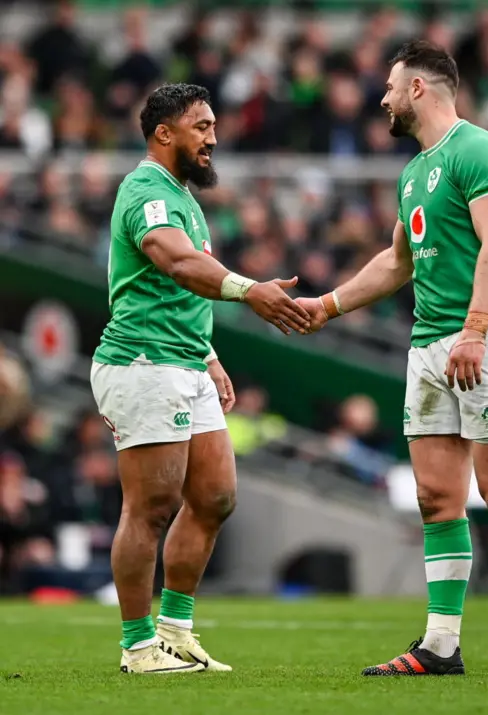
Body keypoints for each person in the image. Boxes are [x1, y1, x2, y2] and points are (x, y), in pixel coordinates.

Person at [296, 40, 488, 677]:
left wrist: (476, 329)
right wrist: (330, 304)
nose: (383, 98)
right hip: (430, 344)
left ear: (420, 89)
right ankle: (441, 646)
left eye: (391, 87)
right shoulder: (412, 171)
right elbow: (398, 261)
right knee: (436, 497)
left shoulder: (479, 149)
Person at [91, 83, 310, 675]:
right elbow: (176, 262)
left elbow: (171, 291)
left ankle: (175, 631)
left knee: (214, 497)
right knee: (151, 507)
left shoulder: (181, 194)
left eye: (214, 126)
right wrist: (249, 290)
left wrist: (209, 353)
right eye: (202, 127)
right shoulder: (146, 190)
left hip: (184, 360)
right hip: (142, 362)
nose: (214, 138)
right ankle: (137, 647)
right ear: (164, 133)